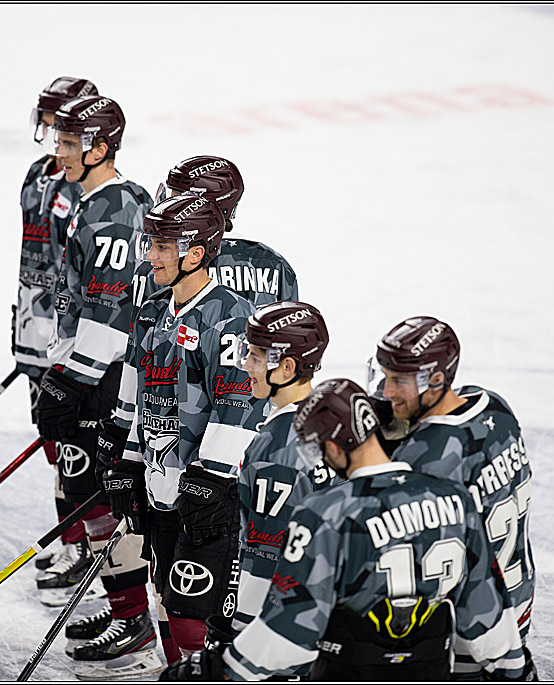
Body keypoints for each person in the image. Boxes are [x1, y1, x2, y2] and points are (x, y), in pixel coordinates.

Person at [161, 379, 528, 681]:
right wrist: (516, 670)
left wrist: (222, 667)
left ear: (334, 448)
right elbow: (484, 612)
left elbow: (292, 630)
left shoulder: (327, 514)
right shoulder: (453, 499)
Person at [98, 194, 267, 665]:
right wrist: (129, 462)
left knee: (195, 616)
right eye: (151, 244)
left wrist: (211, 477)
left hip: (208, 493)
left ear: (194, 253)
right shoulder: (152, 312)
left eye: (161, 247)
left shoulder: (231, 318)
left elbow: (237, 405)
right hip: (161, 483)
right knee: (167, 598)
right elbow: (143, 397)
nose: (150, 256)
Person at [31, 94, 158, 676]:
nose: (57, 152)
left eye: (67, 142)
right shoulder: (103, 202)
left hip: (104, 380)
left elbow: (107, 322)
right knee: (98, 498)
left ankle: (134, 621)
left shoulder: (112, 210)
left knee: (103, 499)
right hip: (98, 374)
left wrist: (67, 382)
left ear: (99, 147)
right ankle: (127, 611)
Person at [371, 316, 537, 679]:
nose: (386, 391)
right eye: (385, 376)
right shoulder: (494, 406)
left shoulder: (425, 457)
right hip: (517, 594)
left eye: (399, 380)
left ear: (435, 379)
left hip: (472, 625)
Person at [11, 75, 102, 592]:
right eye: (47, 119)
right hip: (34, 329)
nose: (49, 130)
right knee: (53, 445)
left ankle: (88, 547)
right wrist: (25, 328)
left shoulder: (88, 191)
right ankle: (73, 542)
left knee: (76, 450)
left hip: (68, 341)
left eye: (58, 121)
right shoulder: (37, 174)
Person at [223, 300, 337, 679]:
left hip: (281, 631)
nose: (245, 365)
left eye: (256, 357)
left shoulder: (275, 444)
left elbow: (264, 551)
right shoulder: (336, 417)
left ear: (287, 367)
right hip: (325, 618)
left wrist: (243, 629)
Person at [133, 156, 298, 309]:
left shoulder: (162, 265)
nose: (166, 205)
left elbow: (141, 328)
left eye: (175, 200)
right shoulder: (276, 264)